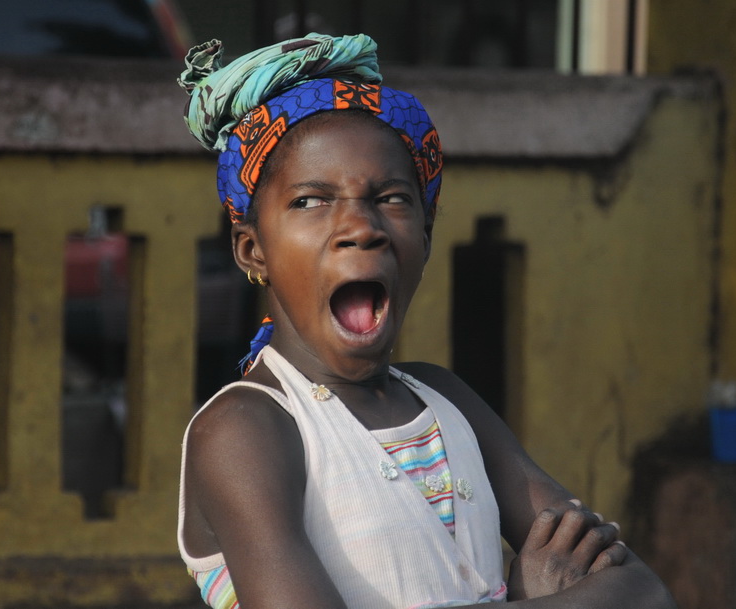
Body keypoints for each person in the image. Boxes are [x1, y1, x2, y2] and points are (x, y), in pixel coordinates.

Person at [176, 33, 676, 608]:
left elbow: (643, 592)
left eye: (391, 198)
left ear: (427, 236)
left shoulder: (445, 399)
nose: (360, 227)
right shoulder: (247, 429)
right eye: (311, 201)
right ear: (252, 251)